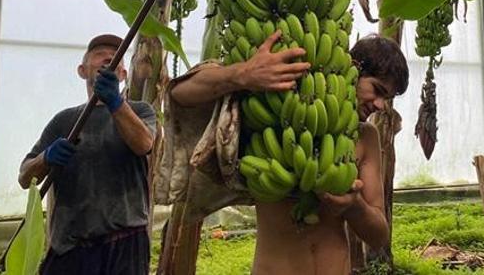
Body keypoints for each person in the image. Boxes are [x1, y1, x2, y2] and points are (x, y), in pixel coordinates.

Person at [168, 32, 409, 274]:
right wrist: (242, 75)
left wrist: (354, 205)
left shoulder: (366, 137)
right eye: (377, 90)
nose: (379, 105)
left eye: (386, 98)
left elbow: (379, 235)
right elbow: (180, 93)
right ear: (353, 69)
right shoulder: (272, 116)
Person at [18, 34, 157, 275]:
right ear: (82, 70)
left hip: (124, 241)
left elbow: (144, 144)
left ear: (123, 75)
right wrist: (45, 158)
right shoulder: (64, 121)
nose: (108, 58)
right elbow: (24, 177)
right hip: (70, 245)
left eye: (116, 57)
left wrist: (116, 103)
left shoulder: (141, 111)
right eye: (99, 53)